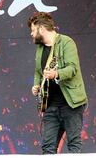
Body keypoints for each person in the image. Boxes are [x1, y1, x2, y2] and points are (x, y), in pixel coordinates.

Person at [28, 12, 88, 154]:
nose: (31, 34)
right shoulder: (40, 48)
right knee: (48, 148)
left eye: (33, 30)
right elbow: (38, 71)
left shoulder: (66, 42)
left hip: (71, 104)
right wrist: (36, 85)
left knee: (74, 145)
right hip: (50, 106)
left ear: (41, 28)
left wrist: (57, 74)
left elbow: (72, 68)